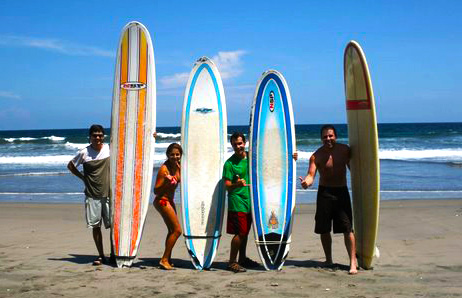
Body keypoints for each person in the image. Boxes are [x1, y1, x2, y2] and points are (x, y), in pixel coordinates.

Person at [299, 124, 358, 274]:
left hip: (341, 192)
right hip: (324, 193)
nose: (328, 139)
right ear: (321, 138)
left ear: (336, 136)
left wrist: (363, 181)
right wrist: (306, 183)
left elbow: (355, 169)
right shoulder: (316, 155)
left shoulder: (345, 150)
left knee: (347, 228)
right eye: (325, 136)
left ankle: (352, 262)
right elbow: (311, 175)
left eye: (330, 136)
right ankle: (329, 259)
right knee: (324, 229)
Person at [67, 124, 114, 266]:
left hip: (109, 194)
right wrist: (82, 177)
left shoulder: (109, 148)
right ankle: (101, 255)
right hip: (92, 195)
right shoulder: (84, 153)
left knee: (113, 225)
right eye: (95, 135)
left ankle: (113, 253)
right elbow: (70, 165)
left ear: (103, 136)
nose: (97, 138)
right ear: (90, 137)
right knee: (96, 226)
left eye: (100, 135)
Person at [223, 132, 259, 273]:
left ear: (245, 142)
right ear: (231, 145)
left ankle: (242, 259)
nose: (238, 146)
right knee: (240, 233)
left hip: (250, 201)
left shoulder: (251, 157)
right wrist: (236, 184)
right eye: (235, 144)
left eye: (240, 143)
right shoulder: (229, 163)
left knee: (245, 232)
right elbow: (226, 185)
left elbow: (271, 160)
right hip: (237, 201)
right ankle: (232, 262)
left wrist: (292, 157)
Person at [153, 143, 182, 270]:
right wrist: (166, 182)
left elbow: (179, 179)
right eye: (172, 154)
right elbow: (156, 191)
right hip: (162, 201)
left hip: (169, 200)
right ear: (167, 155)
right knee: (177, 231)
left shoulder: (177, 166)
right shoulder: (164, 170)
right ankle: (164, 259)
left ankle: (168, 259)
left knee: (171, 231)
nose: (175, 157)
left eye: (177, 154)